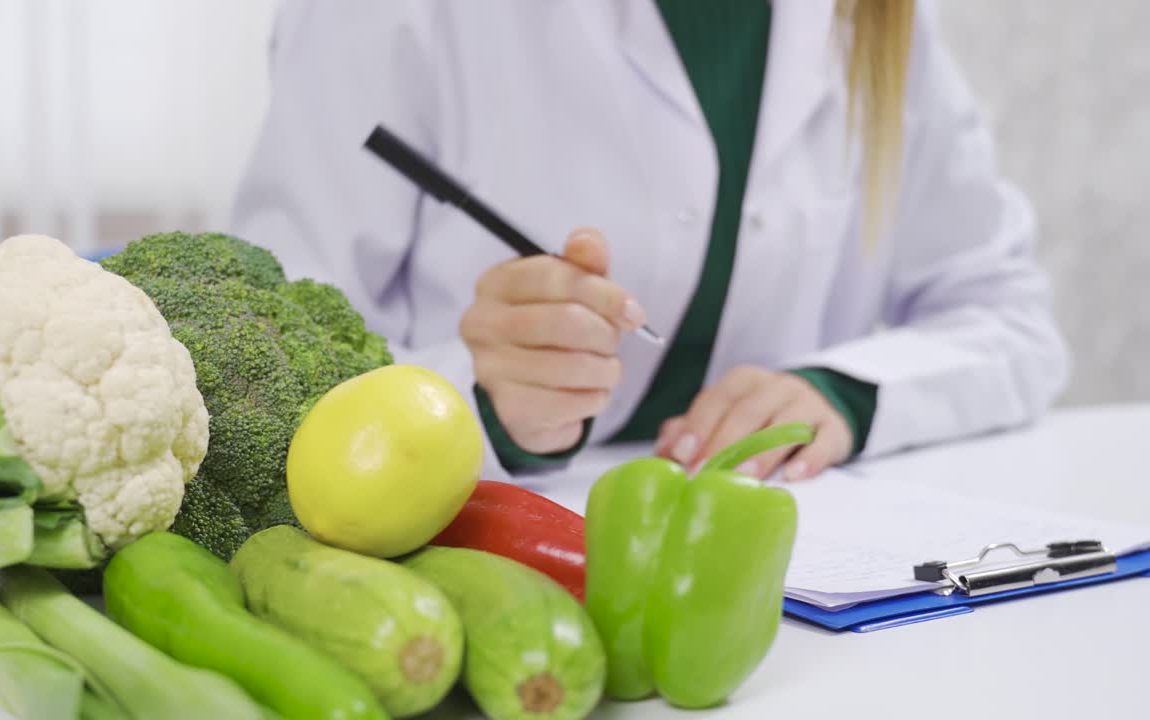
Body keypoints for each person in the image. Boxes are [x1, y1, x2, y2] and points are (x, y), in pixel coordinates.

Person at [231, 0, 1069, 482]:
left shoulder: (875, 20)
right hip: (476, 563)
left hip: (792, 575)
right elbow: (259, 370)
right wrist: (476, 399)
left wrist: (842, 393)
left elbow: (1010, 319)